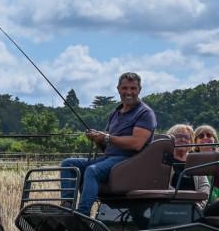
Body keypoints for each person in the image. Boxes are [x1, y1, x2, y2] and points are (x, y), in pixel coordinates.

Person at [61, 72, 157, 216]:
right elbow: (108, 146)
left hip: (131, 161)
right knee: (69, 164)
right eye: (125, 88)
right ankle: (67, 207)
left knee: (92, 171)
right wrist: (98, 139)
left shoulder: (145, 113)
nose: (129, 92)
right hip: (110, 158)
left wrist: (106, 137)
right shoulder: (115, 113)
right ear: (118, 89)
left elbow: (136, 144)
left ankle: (83, 213)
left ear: (139, 90)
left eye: (133, 88)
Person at [167, 123, 210, 197]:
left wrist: (200, 202)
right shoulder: (164, 159)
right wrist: (181, 198)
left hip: (195, 205)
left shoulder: (196, 161)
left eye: (187, 137)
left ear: (191, 141)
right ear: (170, 139)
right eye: (178, 136)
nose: (183, 139)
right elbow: (162, 184)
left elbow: (204, 185)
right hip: (169, 203)